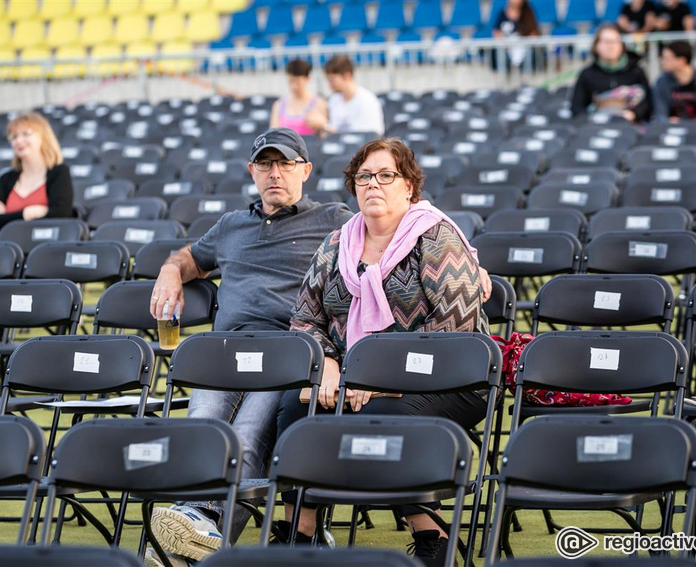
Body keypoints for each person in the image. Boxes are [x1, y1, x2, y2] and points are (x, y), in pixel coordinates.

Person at [145, 128, 355, 567]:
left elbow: (390, 231)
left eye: (285, 164)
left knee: (250, 432)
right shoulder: (230, 226)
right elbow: (188, 258)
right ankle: (194, 533)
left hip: (288, 350)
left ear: (306, 171)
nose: (275, 173)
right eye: (265, 164)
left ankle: (198, 525)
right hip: (223, 350)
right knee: (202, 426)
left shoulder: (334, 218)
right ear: (252, 171)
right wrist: (169, 271)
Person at [275, 138, 490, 567]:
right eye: (364, 176)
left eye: (386, 175)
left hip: (450, 378)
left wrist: (379, 379)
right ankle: (300, 531)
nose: (373, 183)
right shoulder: (337, 244)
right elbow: (304, 321)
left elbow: (455, 331)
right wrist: (332, 364)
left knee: (388, 419)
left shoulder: (435, 238)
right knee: (296, 410)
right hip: (358, 378)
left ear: (409, 186)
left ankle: (431, 534)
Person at [0, 111, 74, 230]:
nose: (19, 141)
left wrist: (7, 215)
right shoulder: (6, 178)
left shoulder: (59, 172)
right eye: (14, 137)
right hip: (12, 244)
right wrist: (27, 213)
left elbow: (60, 214)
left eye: (26, 134)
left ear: (43, 137)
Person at [570, 23, 652, 123]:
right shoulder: (587, 74)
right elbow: (577, 107)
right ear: (596, 46)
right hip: (597, 126)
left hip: (632, 126)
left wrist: (634, 114)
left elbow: (648, 102)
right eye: (606, 42)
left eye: (615, 41)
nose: (611, 46)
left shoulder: (636, 71)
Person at [653, 40, 696, 127]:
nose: (662, 62)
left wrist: (688, 126)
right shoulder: (662, 82)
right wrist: (669, 124)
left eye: (666, 58)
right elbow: (660, 114)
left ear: (682, 61)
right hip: (672, 132)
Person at [322, 55, 385, 136]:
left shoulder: (367, 100)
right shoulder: (334, 100)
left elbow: (367, 137)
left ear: (346, 76)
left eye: (332, 80)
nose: (329, 85)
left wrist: (325, 126)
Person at [269, 59, 328, 137]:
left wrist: (321, 124)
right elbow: (272, 136)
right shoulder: (279, 105)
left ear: (307, 78)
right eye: (290, 81)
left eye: (297, 82)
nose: (294, 86)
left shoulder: (319, 103)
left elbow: (325, 135)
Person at [491, 0, 542, 72]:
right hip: (507, 49)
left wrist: (525, 43)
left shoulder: (528, 14)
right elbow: (496, 32)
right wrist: (506, 45)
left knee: (529, 51)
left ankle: (527, 79)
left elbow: (534, 34)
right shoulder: (502, 15)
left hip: (524, 50)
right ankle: (502, 79)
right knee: (500, 52)